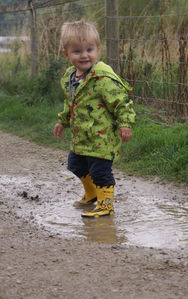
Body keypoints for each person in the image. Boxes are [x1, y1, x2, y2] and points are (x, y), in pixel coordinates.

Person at [54, 20, 135, 218]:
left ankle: (106, 204)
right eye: (77, 51)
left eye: (89, 49)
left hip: (102, 139)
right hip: (82, 137)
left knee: (100, 172)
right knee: (75, 163)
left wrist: (124, 123)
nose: (84, 55)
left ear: (97, 49)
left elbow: (121, 101)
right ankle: (91, 195)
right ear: (66, 53)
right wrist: (63, 121)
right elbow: (71, 103)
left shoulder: (102, 78)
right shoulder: (70, 78)